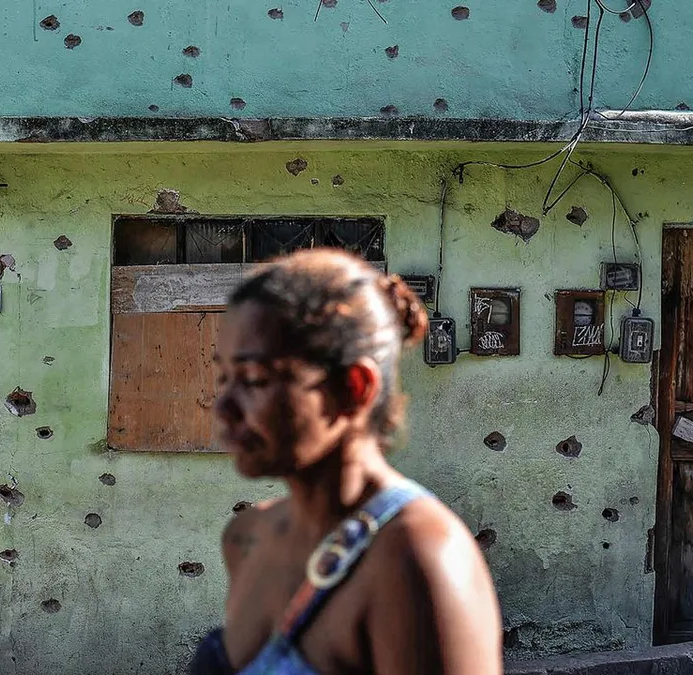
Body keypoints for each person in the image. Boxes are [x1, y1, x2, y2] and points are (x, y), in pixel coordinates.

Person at [189, 249, 503, 675]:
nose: (223, 405)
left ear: (354, 388)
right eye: (222, 376)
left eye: (255, 379)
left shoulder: (417, 557)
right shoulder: (247, 538)